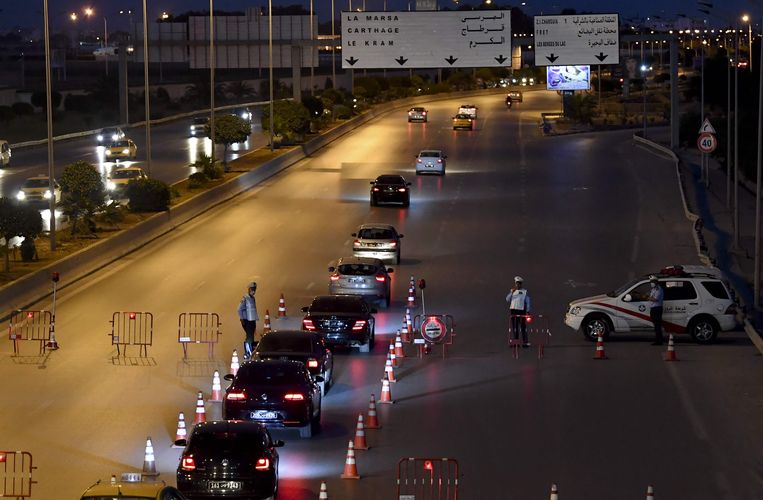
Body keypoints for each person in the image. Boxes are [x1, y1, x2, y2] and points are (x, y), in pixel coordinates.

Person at [506, 276, 531, 347]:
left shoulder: (524, 292)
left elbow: (528, 301)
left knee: (523, 326)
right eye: (516, 283)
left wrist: (528, 311)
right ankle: (516, 342)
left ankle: (525, 342)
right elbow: (507, 299)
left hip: (521, 310)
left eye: (519, 284)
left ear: (521, 284)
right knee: (515, 327)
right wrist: (511, 293)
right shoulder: (512, 291)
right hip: (513, 310)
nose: (517, 285)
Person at [237, 282, 259, 359]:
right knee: (249, 338)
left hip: (252, 321)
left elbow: (253, 311)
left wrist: (254, 323)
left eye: (254, 289)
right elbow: (239, 309)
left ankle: (250, 352)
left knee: (251, 337)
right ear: (249, 289)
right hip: (246, 321)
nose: (253, 291)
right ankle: (247, 353)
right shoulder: (245, 298)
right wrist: (242, 319)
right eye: (252, 289)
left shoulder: (253, 298)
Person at [648, 275, 664, 345]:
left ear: (656, 282)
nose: (651, 283)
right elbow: (651, 297)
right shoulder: (653, 289)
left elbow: (655, 299)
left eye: (652, 282)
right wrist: (650, 297)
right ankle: (658, 339)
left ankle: (659, 341)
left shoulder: (658, 289)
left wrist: (648, 297)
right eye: (651, 282)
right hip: (653, 309)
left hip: (657, 309)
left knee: (657, 326)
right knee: (656, 325)